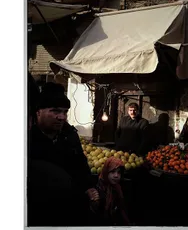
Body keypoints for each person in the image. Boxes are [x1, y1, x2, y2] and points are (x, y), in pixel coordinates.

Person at [27, 82, 98, 226]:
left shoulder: (69, 135)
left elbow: (81, 163)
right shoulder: (28, 138)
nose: (61, 117)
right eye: (55, 111)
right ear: (38, 112)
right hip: (38, 212)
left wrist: (89, 187)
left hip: (70, 208)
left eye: (65, 112)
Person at [89, 157, 131, 226]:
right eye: (112, 171)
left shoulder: (117, 187)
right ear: (106, 171)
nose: (116, 175)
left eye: (119, 172)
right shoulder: (97, 189)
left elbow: (121, 207)